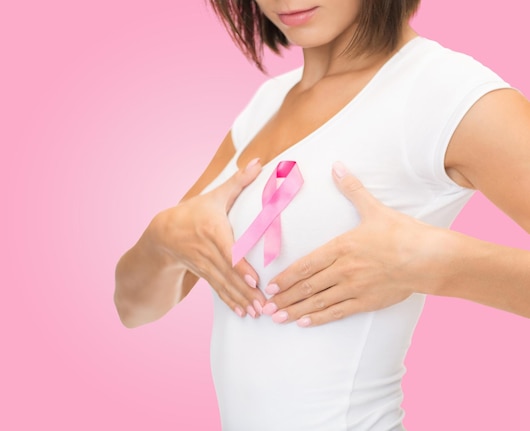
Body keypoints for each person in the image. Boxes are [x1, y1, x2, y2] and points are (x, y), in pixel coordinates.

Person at [114, 0, 530, 429]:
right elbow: (134, 308)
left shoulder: (449, 93)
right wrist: (161, 238)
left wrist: (435, 264)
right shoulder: (267, 102)